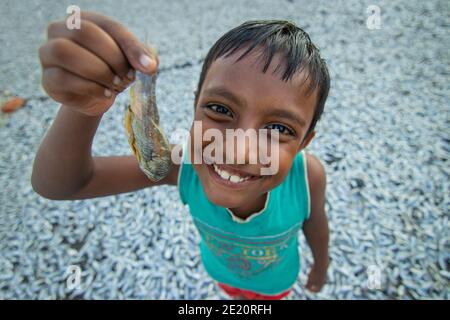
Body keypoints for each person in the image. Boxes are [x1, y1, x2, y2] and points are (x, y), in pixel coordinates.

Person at [32, 11, 330, 300]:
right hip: (221, 275)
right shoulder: (182, 166)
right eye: (221, 110)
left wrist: (320, 265)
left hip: (275, 285)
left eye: (278, 128)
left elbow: (314, 222)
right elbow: (65, 184)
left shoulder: (307, 177)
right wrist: (83, 108)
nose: (238, 151)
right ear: (195, 105)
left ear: (304, 142)